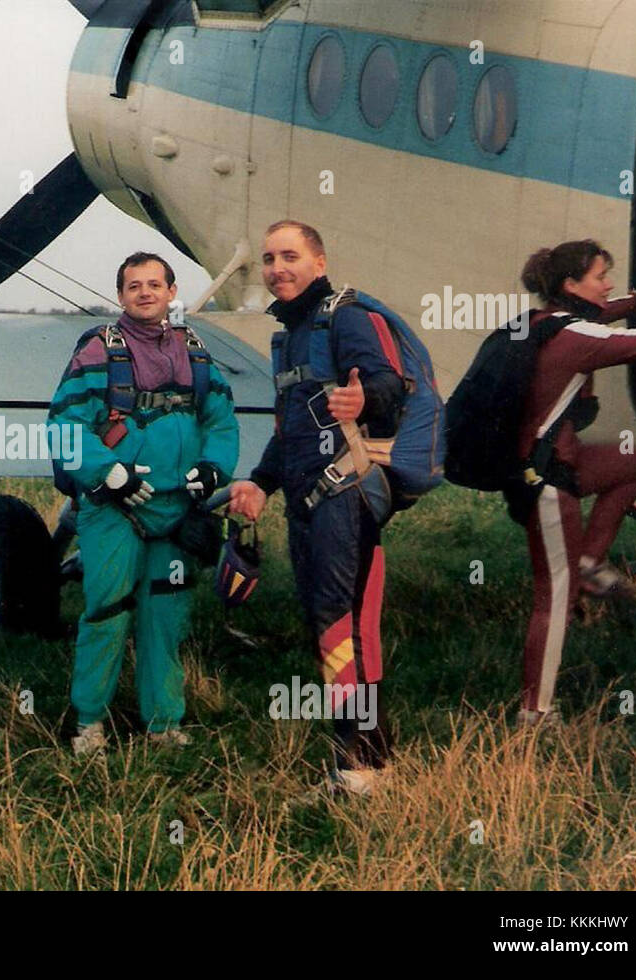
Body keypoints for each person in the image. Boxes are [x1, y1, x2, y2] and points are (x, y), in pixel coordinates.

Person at [228, 220, 405, 795]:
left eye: (290, 256)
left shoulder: (343, 316)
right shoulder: (286, 335)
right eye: (269, 258)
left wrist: (365, 397)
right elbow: (291, 429)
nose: (278, 268)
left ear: (319, 263)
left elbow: (388, 383)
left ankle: (353, 766)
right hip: (306, 497)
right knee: (343, 623)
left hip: (343, 495)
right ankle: (372, 759)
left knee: (336, 624)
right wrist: (259, 483)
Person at [46, 252, 238, 755]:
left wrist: (216, 466)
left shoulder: (195, 352)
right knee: (108, 611)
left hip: (176, 511)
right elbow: (63, 426)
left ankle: (164, 724)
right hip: (115, 509)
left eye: (155, 284)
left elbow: (220, 421)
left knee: (166, 617)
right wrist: (108, 473)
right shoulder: (97, 350)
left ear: (172, 292)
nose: (146, 293)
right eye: (135, 286)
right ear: (121, 296)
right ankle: (89, 723)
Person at [508, 240, 636, 726]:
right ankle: (535, 713)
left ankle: (588, 560)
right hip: (545, 481)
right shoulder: (576, 338)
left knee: (630, 465)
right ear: (571, 285)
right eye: (601, 276)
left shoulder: (547, 322)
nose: (608, 284)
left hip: (557, 463)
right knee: (553, 599)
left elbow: (613, 312)